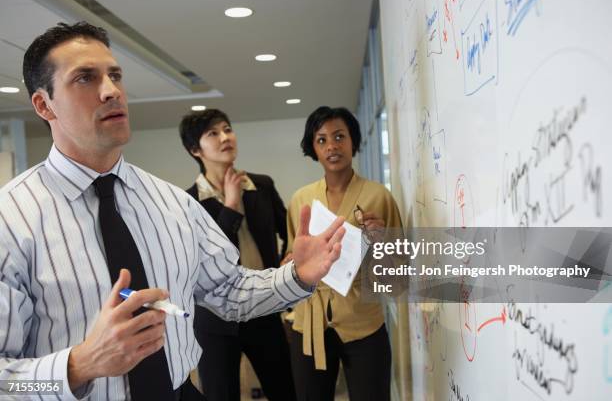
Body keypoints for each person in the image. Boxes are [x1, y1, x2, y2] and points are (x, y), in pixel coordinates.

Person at [0, 22, 345, 401]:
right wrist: (80, 366)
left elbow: (228, 290)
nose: (111, 90)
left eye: (115, 75)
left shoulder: (172, 203)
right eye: (84, 78)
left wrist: (297, 276)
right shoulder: (11, 221)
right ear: (43, 104)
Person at [284, 106, 402, 401]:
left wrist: (380, 240)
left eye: (339, 136)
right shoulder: (301, 199)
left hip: (364, 322)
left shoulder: (378, 196)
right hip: (309, 324)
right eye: (321, 140)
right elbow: (291, 260)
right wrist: (289, 265)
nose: (332, 146)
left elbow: (399, 271)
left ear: (353, 141)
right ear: (313, 148)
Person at [179, 109, 296, 400]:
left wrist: (287, 258)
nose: (225, 137)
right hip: (214, 321)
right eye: (213, 133)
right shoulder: (187, 202)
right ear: (195, 149)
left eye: (227, 129)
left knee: (285, 391)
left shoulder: (262, 186)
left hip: (264, 308)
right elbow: (207, 259)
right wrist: (231, 206)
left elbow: (288, 230)